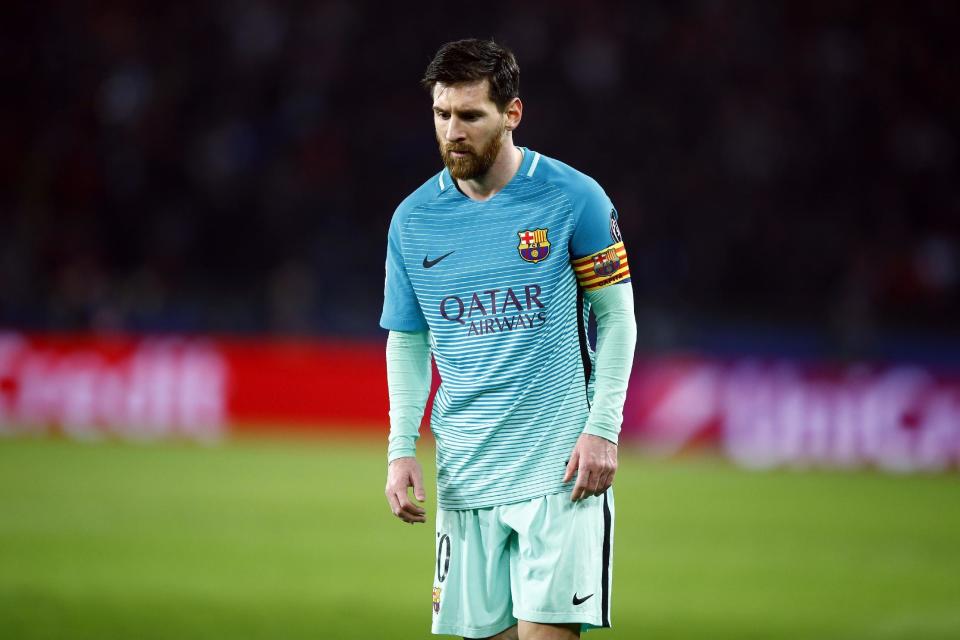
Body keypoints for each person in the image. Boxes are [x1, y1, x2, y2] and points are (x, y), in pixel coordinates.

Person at [380, 38, 637, 640]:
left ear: (512, 114)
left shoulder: (574, 198)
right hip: (466, 479)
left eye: (471, 115)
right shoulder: (412, 220)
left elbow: (618, 318)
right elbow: (408, 342)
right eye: (442, 114)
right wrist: (399, 448)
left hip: (559, 476)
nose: (453, 131)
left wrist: (602, 429)